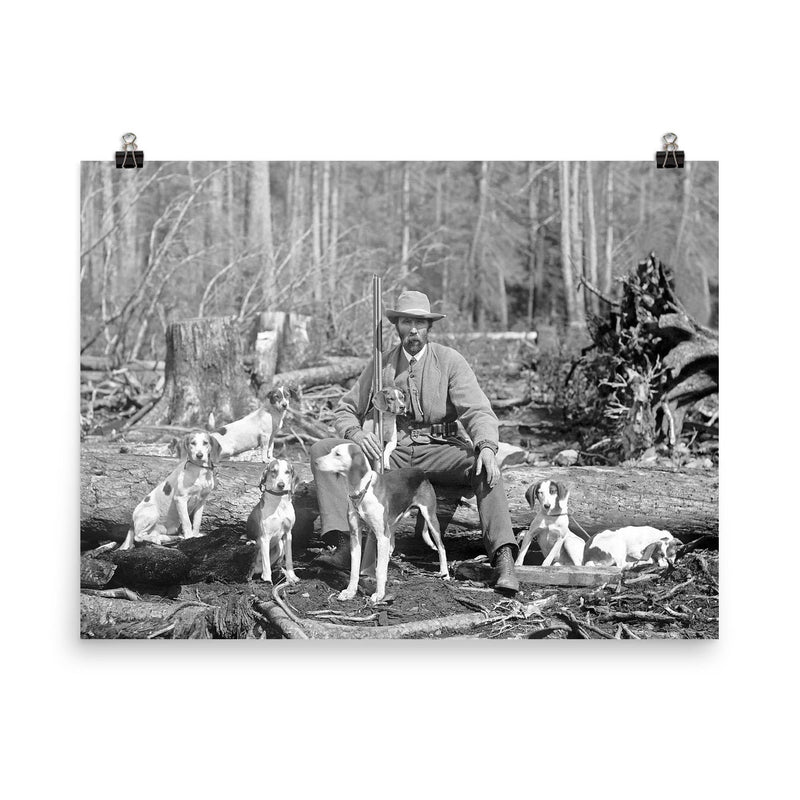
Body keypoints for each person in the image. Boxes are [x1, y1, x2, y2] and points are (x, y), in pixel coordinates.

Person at [309, 290, 519, 594]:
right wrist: (358, 435)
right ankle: (343, 543)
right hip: (391, 452)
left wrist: (486, 445)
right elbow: (345, 409)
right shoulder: (381, 364)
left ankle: (503, 557)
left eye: (420, 323)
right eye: (407, 322)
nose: (414, 330)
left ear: (430, 327)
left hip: (440, 449)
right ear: (397, 326)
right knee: (321, 450)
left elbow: (477, 410)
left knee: (485, 467)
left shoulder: (449, 361)